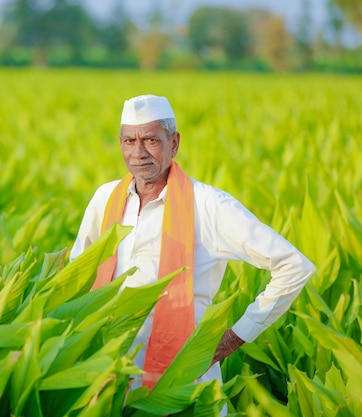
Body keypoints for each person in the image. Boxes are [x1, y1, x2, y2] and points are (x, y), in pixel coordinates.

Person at [69, 94, 315, 390]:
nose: (139, 152)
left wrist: (232, 339)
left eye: (150, 140)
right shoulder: (105, 198)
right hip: (108, 380)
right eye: (129, 141)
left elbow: (294, 265)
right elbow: (77, 275)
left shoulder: (210, 205)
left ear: (174, 143)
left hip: (185, 383)